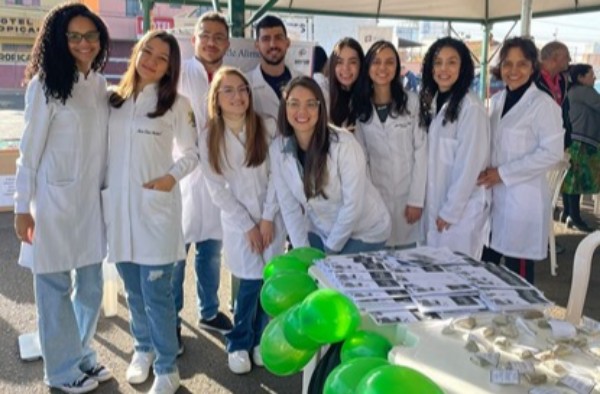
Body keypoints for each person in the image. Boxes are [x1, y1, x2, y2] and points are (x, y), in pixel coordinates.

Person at [13, 3, 111, 393]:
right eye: (74, 36)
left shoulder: (100, 84)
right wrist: (23, 208)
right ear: (59, 39)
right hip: (53, 204)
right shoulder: (45, 85)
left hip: (90, 204)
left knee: (91, 287)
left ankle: (80, 351)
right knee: (53, 289)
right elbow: (28, 153)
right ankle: (60, 368)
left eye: (90, 35)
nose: (83, 43)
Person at [104, 30, 198, 394]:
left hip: (156, 212)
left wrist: (170, 178)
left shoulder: (178, 104)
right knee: (133, 290)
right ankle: (141, 349)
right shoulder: (115, 99)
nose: (152, 60)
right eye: (148, 51)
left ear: (171, 67)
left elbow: (192, 153)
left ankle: (167, 366)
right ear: (137, 53)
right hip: (121, 213)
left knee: (157, 294)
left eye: (162, 57)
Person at [201, 66, 286, 374]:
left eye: (242, 89)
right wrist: (248, 225)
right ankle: (239, 342)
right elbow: (217, 189)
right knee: (249, 285)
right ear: (217, 98)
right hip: (239, 225)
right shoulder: (209, 136)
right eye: (229, 90)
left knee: (269, 281)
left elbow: (279, 175)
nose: (238, 96)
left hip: (272, 217)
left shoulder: (267, 125)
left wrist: (266, 218)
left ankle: (262, 340)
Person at [270, 76, 391, 254]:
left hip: (365, 230)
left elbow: (352, 206)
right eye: (294, 103)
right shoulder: (278, 149)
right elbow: (289, 208)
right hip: (324, 229)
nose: (302, 111)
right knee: (310, 271)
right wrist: (302, 253)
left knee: (333, 277)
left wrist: (329, 252)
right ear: (284, 107)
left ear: (320, 108)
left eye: (310, 104)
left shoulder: (344, 144)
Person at [478, 37, 564, 284]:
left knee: (520, 278)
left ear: (533, 67)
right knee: (485, 268)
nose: (513, 71)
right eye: (507, 64)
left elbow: (551, 152)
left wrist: (503, 173)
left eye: (522, 64)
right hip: (493, 200)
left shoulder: (543, 105)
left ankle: (523, 320)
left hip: (523, 203)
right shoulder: (496, 101)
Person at [174, 11, 232, 353]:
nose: (211, 41)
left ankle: (209, 310)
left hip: (218, 177)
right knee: (175, 255)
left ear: (227, 43)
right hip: (181, 176)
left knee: (211, 251)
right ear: (194, 39)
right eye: (204, 35)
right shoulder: (179, 73)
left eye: (218, 36)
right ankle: (171, 319)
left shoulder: (230, 77)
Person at [418, 37, 490, 260]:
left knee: (456, 275)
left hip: (460, 213)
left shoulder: (471, 108)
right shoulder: (432, 102)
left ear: (463, 67)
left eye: (451, 62)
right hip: (435, 206)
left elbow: (469, 166)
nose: (443, 69)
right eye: (438, 63)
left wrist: (450, 211)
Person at [354, 40, 427, 248]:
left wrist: (416, 199)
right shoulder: (360, 108)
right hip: (377, 200)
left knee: (408, 260)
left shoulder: (412, 102)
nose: (383, 68)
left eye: (389, 62)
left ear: (397, 67)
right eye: (376, 62)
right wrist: (370, 202)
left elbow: (421, 152)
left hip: (408, 200)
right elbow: (362, 158)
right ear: (368, 67)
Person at [534, 40, 573, 235]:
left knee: (545, 195)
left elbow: (564, 112)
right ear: (555, 57)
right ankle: (537, 233)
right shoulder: (532, 78)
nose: (570, 60)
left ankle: (542, 234)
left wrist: (567, 141)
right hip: (534, 145)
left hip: (555, 143)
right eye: (566, 56)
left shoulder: (563, 81)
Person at [561, 63, 600, 232]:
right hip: (582, 140)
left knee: (570, 180)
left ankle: (568, 213)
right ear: (580, 78)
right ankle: (574, 217)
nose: (594, 78)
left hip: (574, 140)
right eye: (591, 75)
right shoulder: (584, 91)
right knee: (576, 181)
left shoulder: (572, 91)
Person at [248, 15, 299, 128]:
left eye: (278, 37)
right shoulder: (246, 84)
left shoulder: (303, 80)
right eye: (266, 39)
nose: (273, 44)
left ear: (287, 42)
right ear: (257, 45)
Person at [327, 37, 365, 130]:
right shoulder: (324, 94)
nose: (346, 68)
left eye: (352, 62)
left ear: (361, 65)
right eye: (339, 62)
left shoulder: (369, 96)